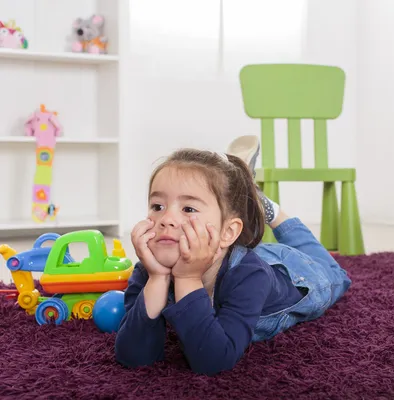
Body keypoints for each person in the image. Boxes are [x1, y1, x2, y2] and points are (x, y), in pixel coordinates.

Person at [114, 136, 351, 376]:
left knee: (337, 275)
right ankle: (249, 196)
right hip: (239, 252)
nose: (166, 219)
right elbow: (133, 356)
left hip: (295, 274)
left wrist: (187, 278)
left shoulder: (250, 276)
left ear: (227, 232)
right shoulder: (148, 270)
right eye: (157, 206)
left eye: (188, 209)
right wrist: (157, 279)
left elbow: (213, 361)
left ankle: (273, 211)